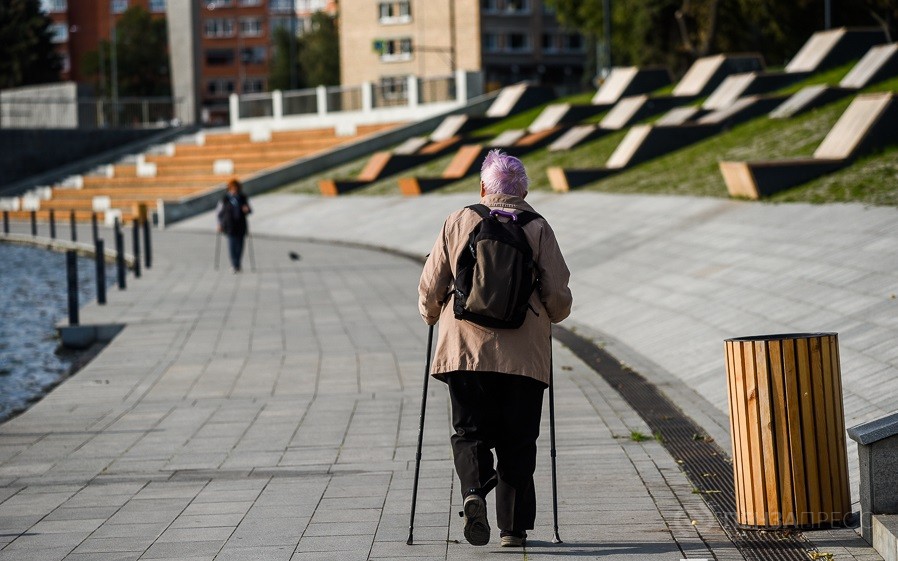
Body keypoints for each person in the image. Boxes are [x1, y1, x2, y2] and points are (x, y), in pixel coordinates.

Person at [418, 149, 572, 548]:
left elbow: (432, 284)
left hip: (464, 351)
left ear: (484, 186)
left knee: (469, 431)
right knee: (517, 440)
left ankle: (473, 490)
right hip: (523, 357)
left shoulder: (460, 219)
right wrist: (554, 311)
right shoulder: (538, 227)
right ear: (522, 190)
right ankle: (513, 530)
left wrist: (431, 313)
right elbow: (556, 297)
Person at [216, 178, 252, 273]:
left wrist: (247, 209)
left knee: (240, 246)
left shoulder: (242, 198)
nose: (234, 190)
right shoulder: (225, 198)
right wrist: (219, 224)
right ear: (229, 188)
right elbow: (219, 212)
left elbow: (249, 210)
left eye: (236, 188)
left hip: (241, 224)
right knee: (232, 245)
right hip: (229, 225)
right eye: (232, 188)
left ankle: (238, 264)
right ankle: (234, 264)